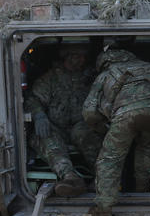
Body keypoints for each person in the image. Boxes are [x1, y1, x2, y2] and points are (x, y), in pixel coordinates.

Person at [83, 49, 150, 216]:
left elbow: (89, 111)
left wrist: (101, 127)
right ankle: (143, 194)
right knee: (146, 151)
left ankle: (104, 206)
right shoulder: (148, 67)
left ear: (103, 63)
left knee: (110, 159)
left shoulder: (106, 74)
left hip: (127, 115)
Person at [25, 45, 102, 197]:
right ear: (67, 56)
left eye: (83, 57)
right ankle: (70, 178)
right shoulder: (51, 78)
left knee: (90, 138)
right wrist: (39, 115)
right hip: (55, 126)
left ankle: (101, 179)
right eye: (78, 56)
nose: (82, 60)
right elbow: (33, 99)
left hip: (81, 125)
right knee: (46, 139)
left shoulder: (89, 77)